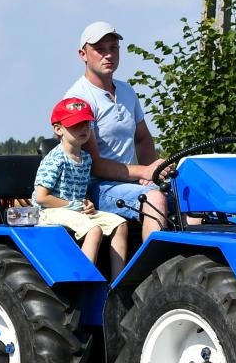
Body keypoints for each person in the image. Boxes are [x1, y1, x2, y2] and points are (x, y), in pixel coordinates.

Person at [66, 21, 168, 239]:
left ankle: (195, 255)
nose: (109, 55)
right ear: (83, 54)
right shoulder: (79, 99)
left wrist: (153, 174)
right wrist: (144, 172)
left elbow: (142, 138)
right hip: (96, 187)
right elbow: (94, 165)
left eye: (113, 48)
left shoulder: (126, 91)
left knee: (188, 192)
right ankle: (156, 261)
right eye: (100, 49)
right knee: (154, 198)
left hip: (129, 183)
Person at [33, 97, 129, 276]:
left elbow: (78, 192)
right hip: (48, 212)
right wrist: (74, 205)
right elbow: (41, 197)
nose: (83, 128)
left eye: (86, 123)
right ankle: (84, 280)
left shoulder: (86, 158)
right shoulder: (55, 159)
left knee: (120, 223)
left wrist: (86, 203)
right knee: (94, 230)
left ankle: (118, 283)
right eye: (76, 124)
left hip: (74, 209)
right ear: (58, 129)